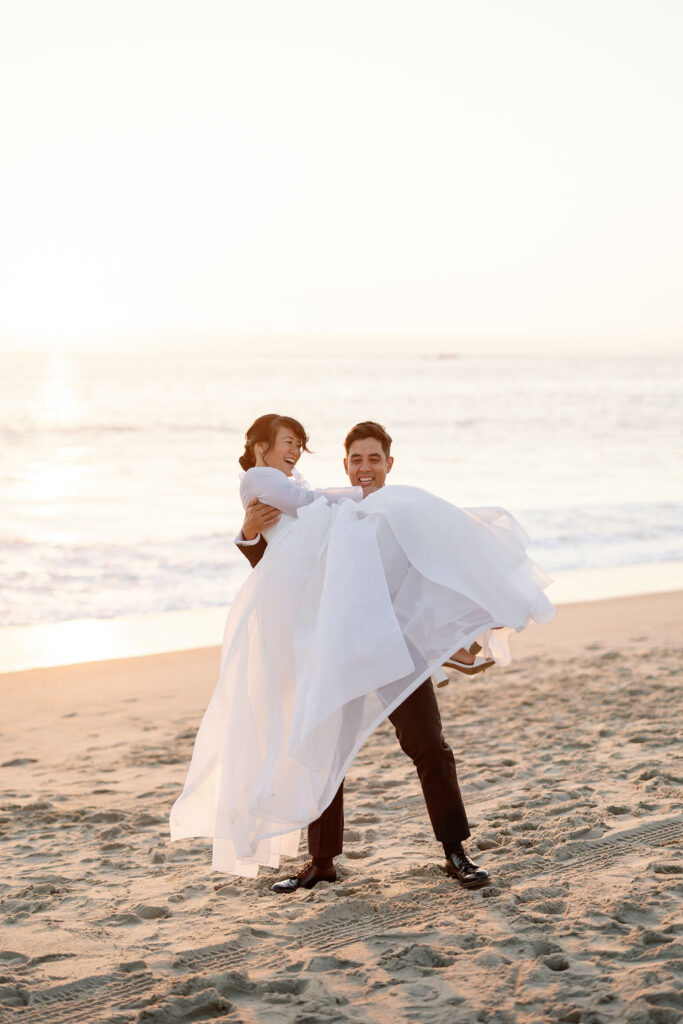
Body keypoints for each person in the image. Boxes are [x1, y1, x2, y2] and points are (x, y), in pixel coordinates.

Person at [170, 415, 555, 888]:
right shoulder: (331, 513)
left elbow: (439, 578)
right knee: (321, 750)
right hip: (337, 648)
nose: (365, 468)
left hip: (396, 647)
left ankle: (456, 853)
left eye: (374, 459)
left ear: (389, 464)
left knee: (429, 746)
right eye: (356, 460)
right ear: (346, 466)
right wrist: (248, 532)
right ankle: (322, 863)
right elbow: (285, 568)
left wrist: (455, 642)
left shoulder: (404, 515)